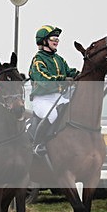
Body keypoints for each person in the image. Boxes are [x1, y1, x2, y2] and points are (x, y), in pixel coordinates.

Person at [28, 25, 78, 155]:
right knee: (52, 115)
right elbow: (44, 80)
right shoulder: (38, 60)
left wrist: (81, 74)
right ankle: (38, 144)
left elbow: (70, 72)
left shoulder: (59, 59)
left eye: (57, 39)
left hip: (58, 97)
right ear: (44, 41)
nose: (56, 41)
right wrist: (63, 79)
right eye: (53, 38)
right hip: (42, 99)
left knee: (72, 112)